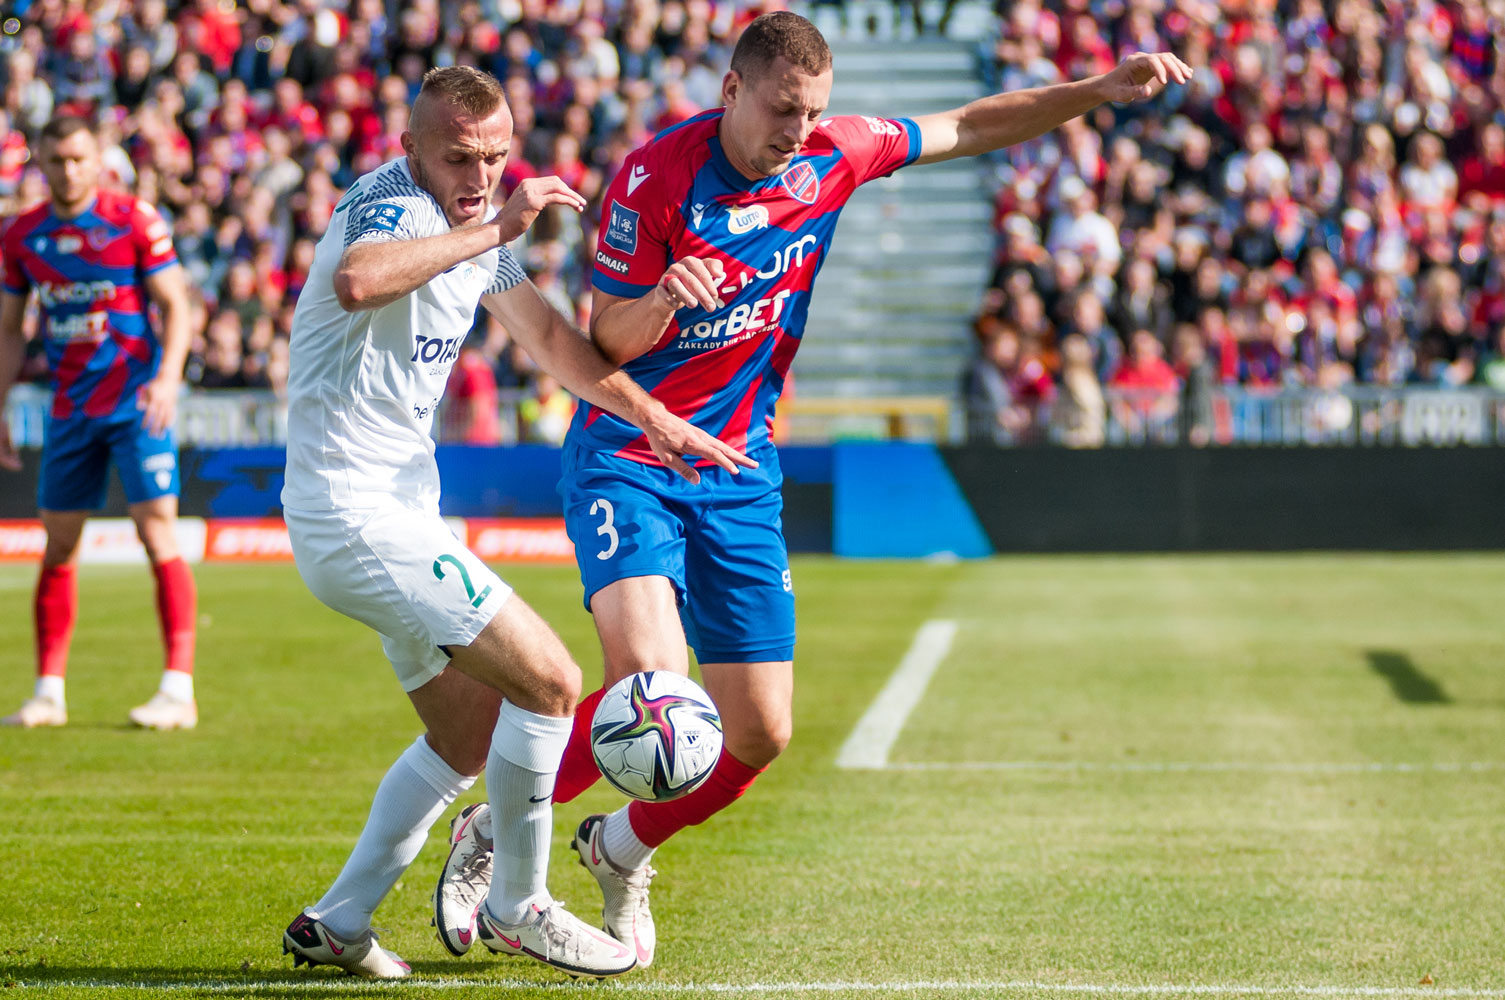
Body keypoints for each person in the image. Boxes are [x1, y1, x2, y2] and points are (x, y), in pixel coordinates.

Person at [438, 11, 1189, 969]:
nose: (800, 130)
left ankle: (620, 846)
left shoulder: (833, 153)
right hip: (631, 452)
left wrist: (1091, 91)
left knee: (756, 734)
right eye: (786, 110)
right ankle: (489, 842)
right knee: (656, 692)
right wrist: (666, 295)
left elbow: (967, 125)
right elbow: (601, 343)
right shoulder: (652, 176)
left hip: (740, 470)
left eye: (815, 111)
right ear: (732, 93)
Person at [277, 65, 751, 980]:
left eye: (494, 156)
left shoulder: (476, 240)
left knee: (464, 736)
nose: (481, 174)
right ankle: (518, 905)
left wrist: (655, 418)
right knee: (549, 681)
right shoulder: (392, 204)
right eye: (459, 156)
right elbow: (359, 279)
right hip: (354, 510)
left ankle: (338, 920)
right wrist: (490, 228)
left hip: (393, 513)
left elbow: (552, 343)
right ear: (410, 147)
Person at [0, 115, 199, 731]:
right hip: (69, 410)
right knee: (57, 545)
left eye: (79, 159)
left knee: (156, 533)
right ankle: (48, 693)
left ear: (97, 159)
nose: (69, 170)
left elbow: (177, 306)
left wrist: (167, 380)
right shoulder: (21, 236)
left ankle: (177, 691)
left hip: (136, 404)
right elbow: (10, 330)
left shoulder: (133, 219)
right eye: (57, 160)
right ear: (41, 163)